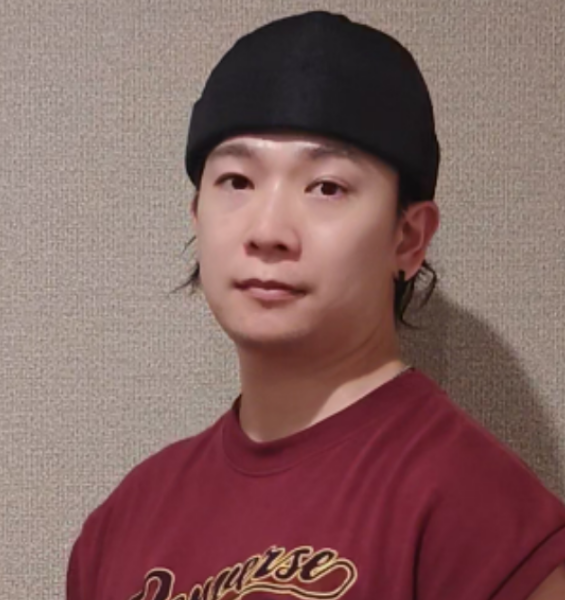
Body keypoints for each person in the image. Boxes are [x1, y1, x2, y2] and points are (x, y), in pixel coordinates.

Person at [66, 11, 565, 600]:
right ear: (197, 215)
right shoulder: (121, 523)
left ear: (408, 239)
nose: (268, 231)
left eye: (327, 187)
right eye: (237, 181)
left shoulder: (481, 517)